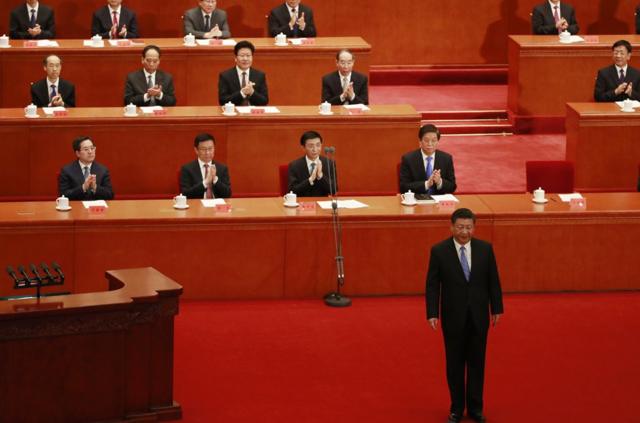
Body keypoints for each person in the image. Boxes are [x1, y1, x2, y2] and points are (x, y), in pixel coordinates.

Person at [426, 208, 504, 423]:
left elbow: (493, 281)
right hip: (453, 318)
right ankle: (456, 409)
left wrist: (496, 308)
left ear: (474, 228)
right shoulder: (439, 251)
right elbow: (432, 285)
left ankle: (476, 408)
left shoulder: (485, 249)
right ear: (451, 227)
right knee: (455, 365)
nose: (464, 232)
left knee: (478, 363)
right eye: (460, 227)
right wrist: (432, 312)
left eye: (468, 227)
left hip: (479, 317)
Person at [399, 124, 456, 195]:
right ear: (420, 141)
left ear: (438, 141)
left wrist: (439, 182)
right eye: (426, 140)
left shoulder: (446, 159)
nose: (430, 144)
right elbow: (403, 187)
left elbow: (452, 187)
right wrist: (426, 184)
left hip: (438, 202)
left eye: (434, 140)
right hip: (417, 201)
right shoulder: (408, 159)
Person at [58, 136, 114, 200]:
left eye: (92, 148)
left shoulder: (103, 170)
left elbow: (110, 195)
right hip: (76, 208)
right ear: (78, 153)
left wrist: (95, 187)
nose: (90, 152)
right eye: (86, 149)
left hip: (96, 208)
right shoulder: (67, 171)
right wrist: (83, 187)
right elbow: (63, 195)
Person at [179, 133, 232, 199]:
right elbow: (185, 194)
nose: (207, 152)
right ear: (196, 150)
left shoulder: (222, 168)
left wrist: (215, 180)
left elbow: (228, 194)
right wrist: (205, 182)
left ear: (214, 149)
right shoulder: (187, 169)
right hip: (197, 207)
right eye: (203, 149)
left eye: (210, 148)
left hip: (217, 207)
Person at [218, 40, 268, 106]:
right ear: (235, 58)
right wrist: (242, 93)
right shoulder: (225, 76)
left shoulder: (259, 75)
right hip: (234, 114)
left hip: (253, 114)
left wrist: (252, 92)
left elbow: (264, 101)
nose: (245, 59)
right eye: (242, 55)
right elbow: (223, 101)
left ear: (252, 57)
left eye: (248, 55)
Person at [287, 130, 337, 197]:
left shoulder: (329, 163)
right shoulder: (294, 165)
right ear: (303, 148)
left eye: (318, 145)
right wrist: (310, 180)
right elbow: (292, 191)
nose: (315, 149)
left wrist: (321, 176)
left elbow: (334, 190)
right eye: (311, 146)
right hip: (302, 204)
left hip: (322, 204)